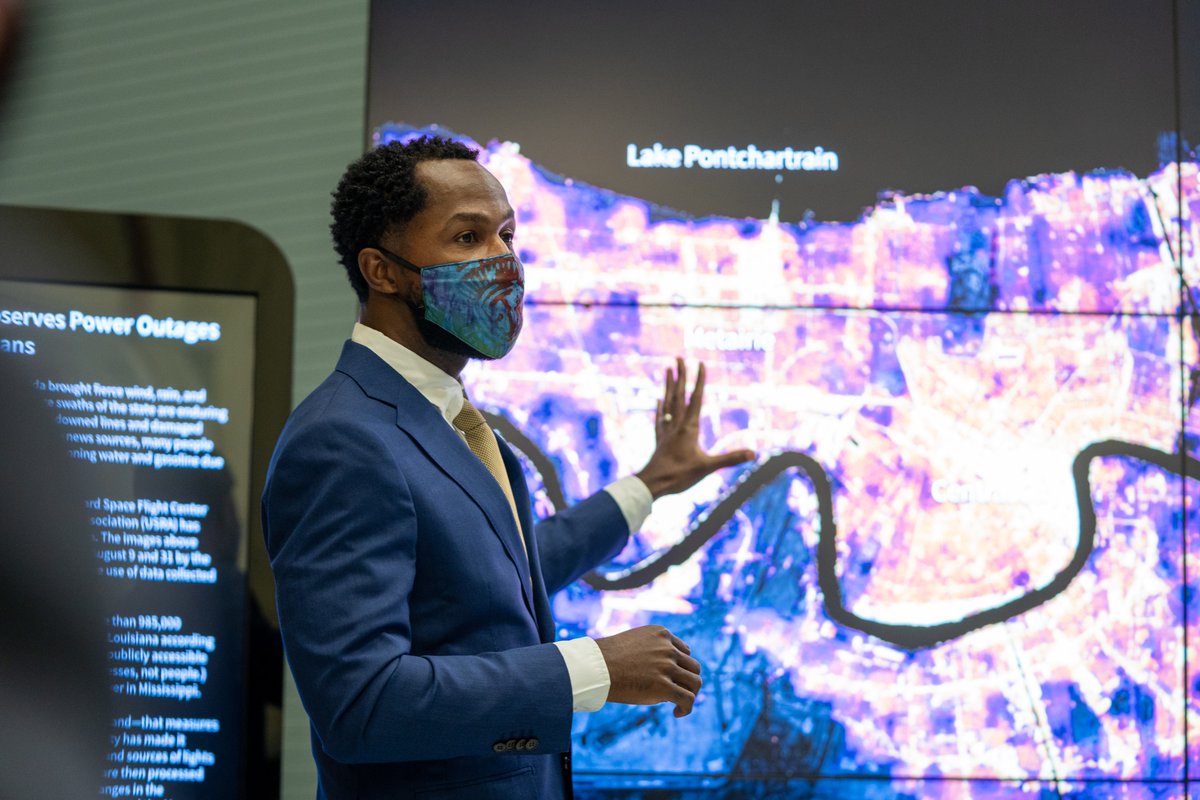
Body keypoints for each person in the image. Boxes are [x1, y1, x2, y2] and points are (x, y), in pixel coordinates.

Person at [261, 136, 755, 799]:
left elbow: (498, 574)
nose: (503, 263)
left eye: (507, 236)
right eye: (467, 239)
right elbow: (361, 705)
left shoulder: (443, 414)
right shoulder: (342, 440)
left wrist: (651, 483)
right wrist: (592, 669)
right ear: (381, 271)